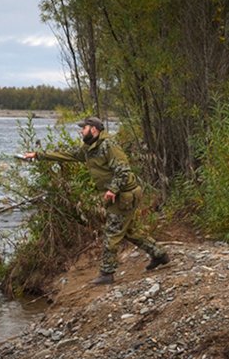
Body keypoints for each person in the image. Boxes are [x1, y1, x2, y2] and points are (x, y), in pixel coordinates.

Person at [24, 116, 170, 285]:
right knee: (129, 231)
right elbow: (68, 154)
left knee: (112, 233)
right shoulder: (89, 148)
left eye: (83, 128)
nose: (81, 131)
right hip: (119, 195)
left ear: (93, 130)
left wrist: (112, 189)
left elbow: (123, 170)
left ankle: (106, 273)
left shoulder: (109, 146)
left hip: (125, 194)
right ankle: (160, 255)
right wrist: (38, 155)